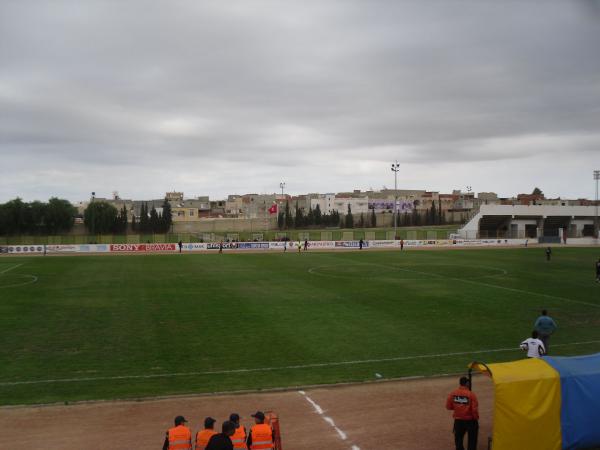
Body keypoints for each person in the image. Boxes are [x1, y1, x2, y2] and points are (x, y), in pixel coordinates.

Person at [446, 376, 479, 450]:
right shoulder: (471, 395)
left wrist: (457, 408)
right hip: (470, 421)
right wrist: (475, 418)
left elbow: (448, 406)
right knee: (472, 440)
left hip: (458, 421)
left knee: (458, 440)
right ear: (467, 383)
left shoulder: (453, 393)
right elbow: (474, 410)